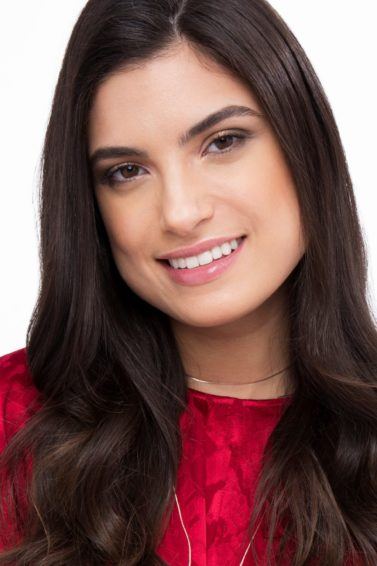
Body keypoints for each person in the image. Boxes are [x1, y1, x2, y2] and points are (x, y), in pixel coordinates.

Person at [0, 0, 376, 564]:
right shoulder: (14, 422)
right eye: (127, 171)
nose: (179, 212)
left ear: (305, 148)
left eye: (222, 141)